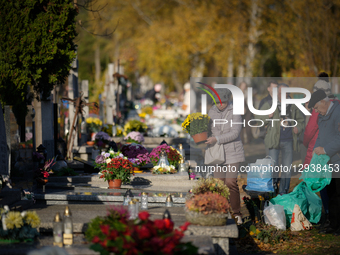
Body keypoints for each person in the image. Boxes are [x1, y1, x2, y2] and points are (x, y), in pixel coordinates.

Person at [303, 73, 339, 229]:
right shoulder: (321, 115)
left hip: (337, 159)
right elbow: (320, 137)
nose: (316, 111)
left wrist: (325, 149)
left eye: (317, 107)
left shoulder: (338, 112)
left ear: (324, 102)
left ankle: (338, 225)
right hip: (327, 161)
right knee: (330, 192)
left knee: (338, 193)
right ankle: (333, 223)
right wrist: (314, 154)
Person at [205, 88, 245, 225]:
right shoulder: (211, 111)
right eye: (217, 102)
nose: (220, 104)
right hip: (217, 153)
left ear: (228, 100)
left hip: (233, 151)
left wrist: (217, 138)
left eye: (223, 102)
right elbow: (209, 129)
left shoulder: (235, 111)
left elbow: (235, 133)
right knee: (219, 184)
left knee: (230, 182)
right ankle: (221, 210)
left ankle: (237, 212)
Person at [256, 83, 305, 194]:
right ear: (277, 93)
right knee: (273, 169)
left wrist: (298, 127)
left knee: (286, 171)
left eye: (287, 93)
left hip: (288, 141)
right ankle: (272, 191)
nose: (284, 95)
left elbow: (301, 121)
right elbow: (258, 119)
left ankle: (283, 193)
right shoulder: (269, 104)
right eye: (282, 93)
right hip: (273, 141)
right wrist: (267, 116)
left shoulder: (294, 105)